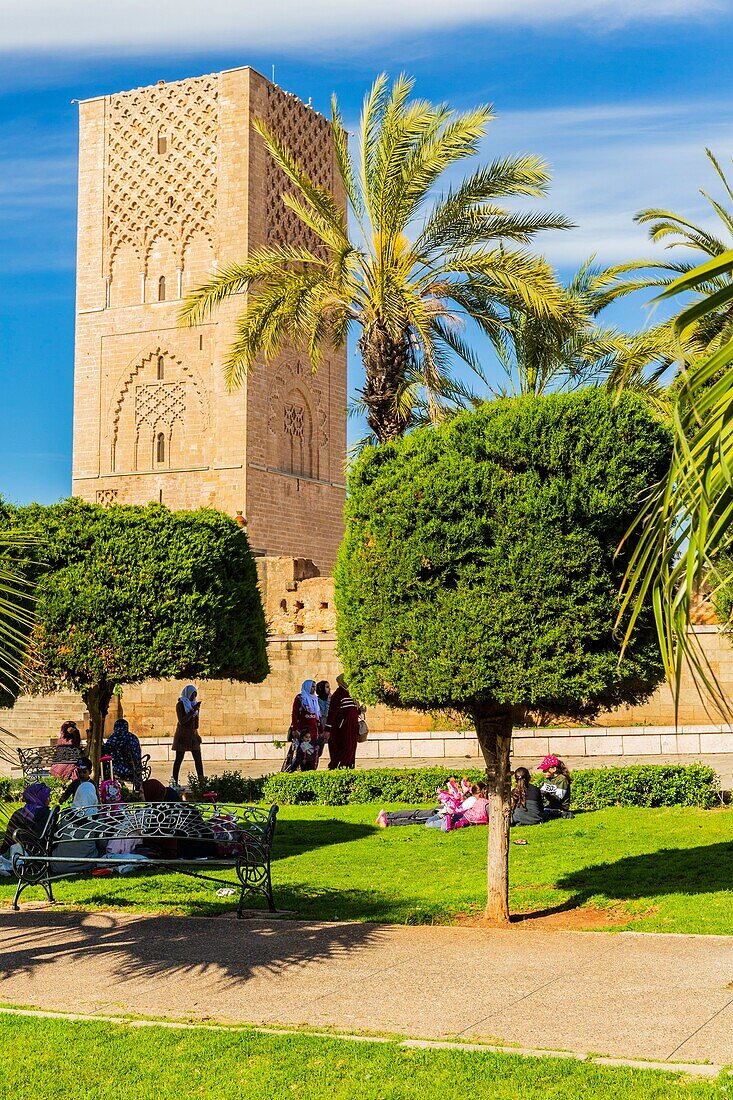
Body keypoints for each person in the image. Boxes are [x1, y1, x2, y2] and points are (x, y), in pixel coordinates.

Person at [0, 783, 53, 874]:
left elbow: (8, 839)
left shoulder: (19, 813)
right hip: (38, 854)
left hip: (18, 852)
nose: (50, 799)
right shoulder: (45, 813)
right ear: (40, 797)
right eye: (47, 796)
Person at [286, 679, 324, 771]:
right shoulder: (300, 698)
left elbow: (317, 717)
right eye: (312, 686)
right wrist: (295, 729)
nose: (314, 689)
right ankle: (302, 771)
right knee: (303, 755)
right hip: (304, 734)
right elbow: (295, 714)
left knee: (314, 754)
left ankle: (311, 771)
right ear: (307, 687)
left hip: (314, 734)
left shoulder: (315, 699)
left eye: (314, 687)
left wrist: (321, 730)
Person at [171, 684, 204, 788]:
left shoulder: (193, 704)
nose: (193, 697)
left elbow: (196, 723)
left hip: (193, 736)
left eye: (195, 695)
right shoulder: (180, 704)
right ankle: (174, 781)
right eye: (192, 695)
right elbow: (182, 720)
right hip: (182, 735)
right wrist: (192, 711)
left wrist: (197, 713)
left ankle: (201, 781)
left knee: (198, 759)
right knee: (179, 759)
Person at [326, 674, 360, 769]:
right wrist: (327, 729)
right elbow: (332, 713)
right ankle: (339, 770)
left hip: (352, 728)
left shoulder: (352, 694)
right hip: (342, 729)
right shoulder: (338, 695)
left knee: (352, 749)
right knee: (345, 750)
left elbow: (353, 710)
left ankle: (349, 769)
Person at [102, 718, 142, 783]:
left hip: (114, 769)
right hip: (131, 769)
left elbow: (106, 751)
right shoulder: (132, 738)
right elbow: (137, 755)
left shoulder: (112, 738)